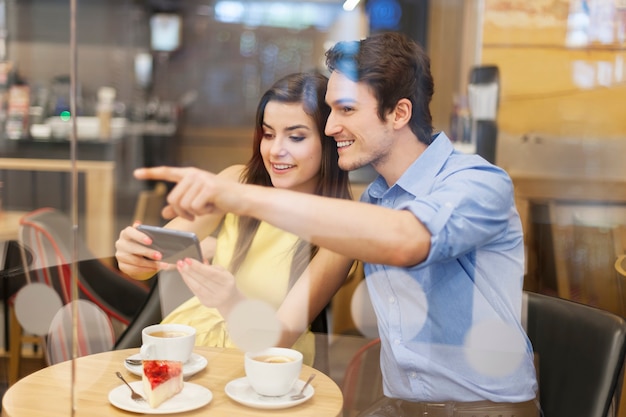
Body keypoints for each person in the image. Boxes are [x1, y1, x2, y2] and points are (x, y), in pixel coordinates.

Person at [133, 32, 539, 416]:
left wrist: (241, 195)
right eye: (330, 111)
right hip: (401, 405)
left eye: (345, 110)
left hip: (485, 409)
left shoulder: (479, 182)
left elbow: (406, 240)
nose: (330, 127)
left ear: (399, 113)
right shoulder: (377, 199)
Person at [115, 72, 355, 366]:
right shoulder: (235, 182)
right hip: (193, 345)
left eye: (295, 136)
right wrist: (133, 253)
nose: (276, 150)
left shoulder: (341, 229)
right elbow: (152, 261)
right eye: (268, 134)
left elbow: (276, 344)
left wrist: (230, 301)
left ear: (328, 142)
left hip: (266, 365)